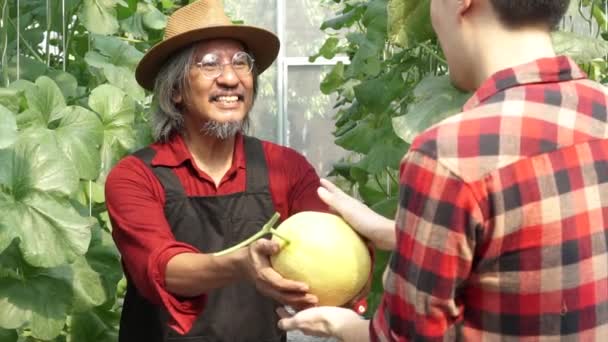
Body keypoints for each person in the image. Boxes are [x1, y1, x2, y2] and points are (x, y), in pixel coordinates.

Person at [276, 0, 608, 340]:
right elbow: (539, 244)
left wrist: (341, 325)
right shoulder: (600, 111)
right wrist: (400, 233)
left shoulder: (449, 156)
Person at [104, 0, 329, 341]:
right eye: (209, 64)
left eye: (241, 62)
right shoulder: (136, 176)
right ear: (176, 90)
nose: (230, 78)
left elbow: (331, 244)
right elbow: (163, 268)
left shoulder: (285, 167)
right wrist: (242, 264)